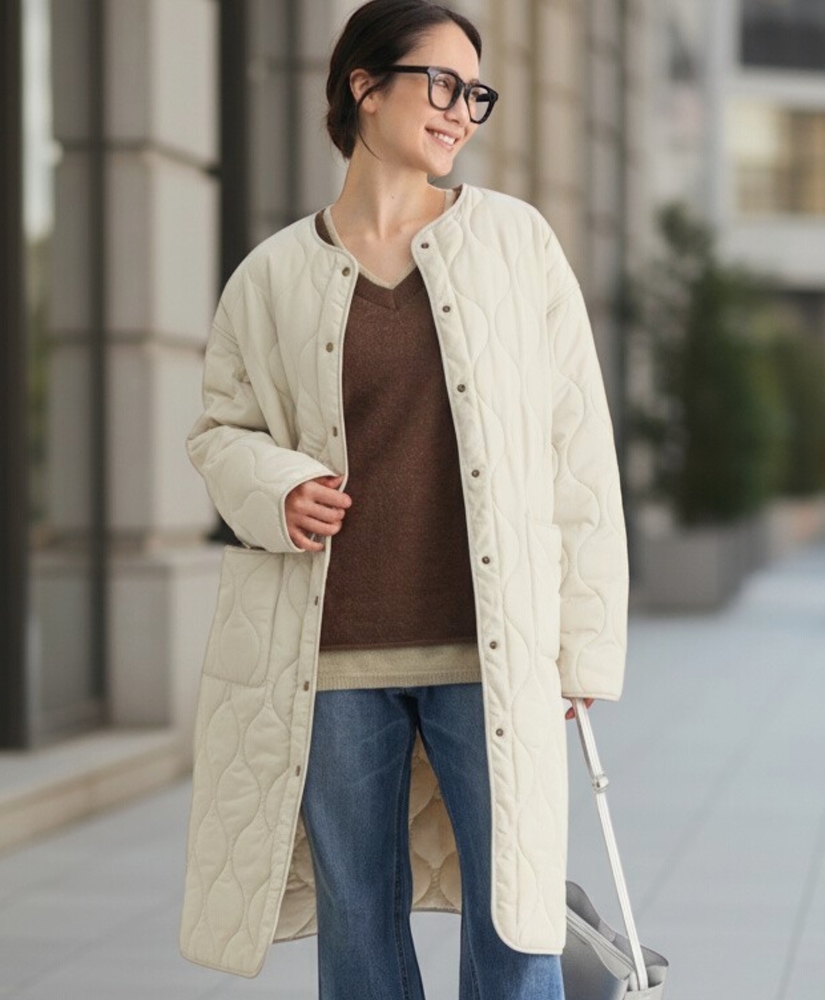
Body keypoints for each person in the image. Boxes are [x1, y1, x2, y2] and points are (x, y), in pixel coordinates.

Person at [179, 1, 629, 997]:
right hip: (330, 659)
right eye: (442, 83)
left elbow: (577, 451)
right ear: (364, 85)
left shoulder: (514, 243)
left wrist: (585, 642)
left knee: (517, 926)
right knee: (357, 930)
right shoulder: (270, 276)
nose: (461, 110)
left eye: (475, 93)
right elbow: (218, 432)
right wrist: (278, 487)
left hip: (490, 652)